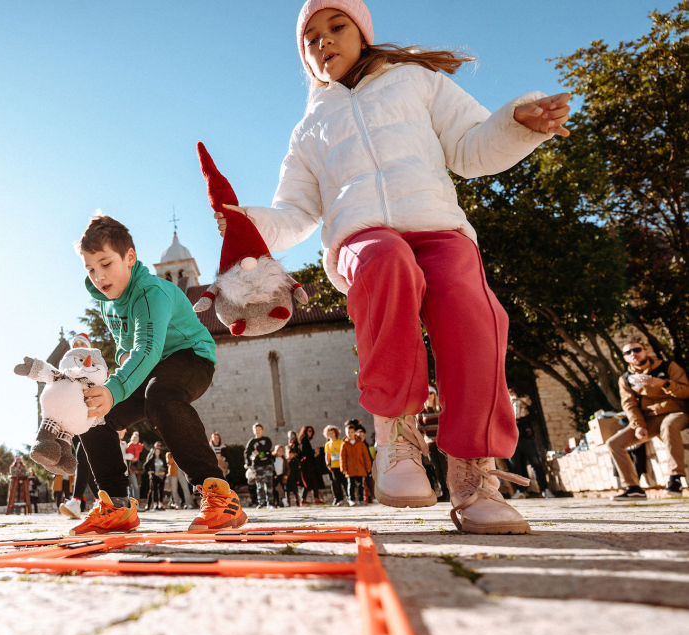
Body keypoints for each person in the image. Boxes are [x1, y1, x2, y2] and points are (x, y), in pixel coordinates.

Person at [213, 0, 568, 533]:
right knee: (387, 261)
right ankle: (398, 442)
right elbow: (296, 213)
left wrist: (516, 124)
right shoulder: (310, 127)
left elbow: (471, 149)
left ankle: (474, 476)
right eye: (311, 38)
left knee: (472, 311)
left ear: (362, 33)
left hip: (439, 227)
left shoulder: (416, 83)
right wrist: (250, 221)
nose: (324, 42)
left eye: (336, 27)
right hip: (363, 237)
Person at [72, 215, 244, 534]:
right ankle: (117, 506)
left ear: (130, 258)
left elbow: (147, 349)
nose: (99, 276)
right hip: (153, 366)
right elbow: (127, 350)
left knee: (160, 397)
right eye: (91, 269)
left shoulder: (151, 293)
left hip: (190, 356)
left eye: (106, 264)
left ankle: (222, 497)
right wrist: (112, 398)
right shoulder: (108, 304)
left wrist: (116, 389)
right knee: (91, 413)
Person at [608, 341, 688, 499]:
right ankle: (633, 487)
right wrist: (638, 426)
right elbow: (629, 405)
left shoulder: (668, 367)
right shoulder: (626, 379)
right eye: (628, 353)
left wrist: (665, 384)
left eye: (637, 349)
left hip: (677, 413)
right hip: (650, 419)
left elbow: (686, 391)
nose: (633, 354)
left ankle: (676, 479)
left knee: (669, 425)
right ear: (625, 359)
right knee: (614, 443)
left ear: (646, 351)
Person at [507, 389, 554, 499]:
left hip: (525, 438)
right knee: (515, 466)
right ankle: (520, 490)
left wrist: (520, 420)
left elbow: (533, 416)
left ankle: (544, 489)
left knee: (536, 464)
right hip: (511, 439)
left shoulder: (524, 404)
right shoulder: (504, 405)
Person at [418, 387, 449, 502]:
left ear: (435, 395)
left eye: (431, 393)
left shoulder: (441, 409)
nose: (429, 395)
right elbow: (420, 429)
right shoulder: (422, 411)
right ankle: (443, 493)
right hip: (430, 444)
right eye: (427, 393)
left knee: (445, 468)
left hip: (443, 444)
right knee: (436, 469)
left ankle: (450, 493)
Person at [340, 421, 372, 506]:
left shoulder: (360, 443)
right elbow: (342, 458)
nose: (350, 434)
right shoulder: (344, 444)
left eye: (352, 432)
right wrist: (343, 468)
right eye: (348, 433)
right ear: (346, 433)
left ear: (354, 432)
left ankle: (361, 499)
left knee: (360, 484)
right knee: (351, 484)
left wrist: (368, 466)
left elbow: (366, 456)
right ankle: (351, 499)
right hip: (350, 468)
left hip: (360, 467)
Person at [244, 423, 275, 509]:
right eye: (256, 430)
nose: (258, 431)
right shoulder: (252, 442)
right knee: (259, 485)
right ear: (253, 431)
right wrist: (248, 463)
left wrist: (258, 450)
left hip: (267, 464)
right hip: (258, 466)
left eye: (259, 429)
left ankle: (270, 502)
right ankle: (261, 502)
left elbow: (268, 445)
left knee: (269, 483)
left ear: (262, 430)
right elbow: (247, 452)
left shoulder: (266, 439)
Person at [298, 425, 324, 505]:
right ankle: (315, 498)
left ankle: (304, 499)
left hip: (309, 463)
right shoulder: (304, 440)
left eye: (311, 431)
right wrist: (314, 451)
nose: (310, 433)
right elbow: (305, 451)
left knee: (310, 481)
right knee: (312, 481)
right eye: (309, 431)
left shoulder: (305, 440)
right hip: (307, 464)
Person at [323, 425, 346, 505]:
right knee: (336, 483)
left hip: (342, 466)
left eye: (332, 433)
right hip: (333, 466)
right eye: (329, 433)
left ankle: (348, 497)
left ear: (336, 433)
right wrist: (327, 463)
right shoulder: (327, 444)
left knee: (345, 482)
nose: (331, 435)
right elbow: (327, 455)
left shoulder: (341, 442)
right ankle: (338, 498)